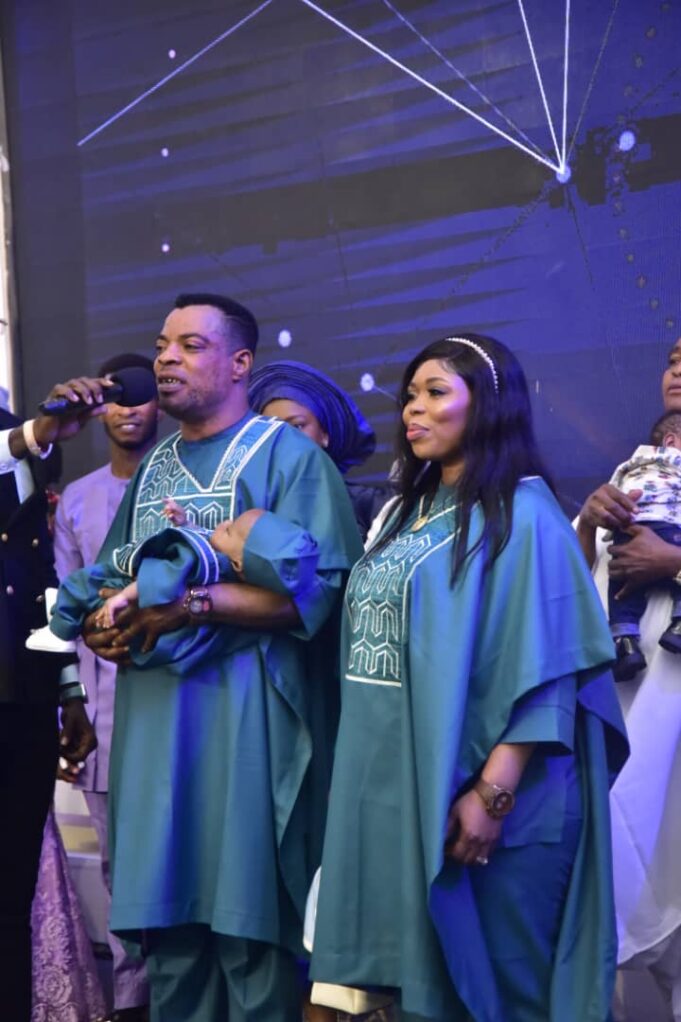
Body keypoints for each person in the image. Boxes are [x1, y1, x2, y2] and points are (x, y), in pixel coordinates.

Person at [310, 334, 628, 1022]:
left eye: (435, 393)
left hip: (499, 798)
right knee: (425, 994)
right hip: (405, 789)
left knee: (502, 993)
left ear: (486, 405)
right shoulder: (409, 511)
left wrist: (491, 795)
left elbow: (552, 673)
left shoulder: (527, 514)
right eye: (409, 395)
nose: (412, 409)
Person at [80, 293, 362, 1022]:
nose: (166, 360)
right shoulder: (154, 465)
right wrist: (101, 626)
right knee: (172, 946)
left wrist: (193, 605)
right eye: (161, 346)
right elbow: (113, 574)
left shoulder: (289, 457)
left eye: (190, 346)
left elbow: (322, 595)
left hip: (248, 734)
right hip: (155, 738)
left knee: (250, 946)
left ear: (240, 364)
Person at [44, 353, 160, 1022]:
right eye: (113, 398)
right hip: (103, 709)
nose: (126, 409)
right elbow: (58, 606)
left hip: (175, 699)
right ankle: (131, 1002)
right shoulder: (79, 499)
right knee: (120, 867)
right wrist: (71, 702)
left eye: (138, 395)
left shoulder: (183, 482)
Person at [577, 336, 681, 1021]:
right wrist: (590, 524)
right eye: (672, 359)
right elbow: (576, 579)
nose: (677, 371)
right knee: (619, 872)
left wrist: (672, 563)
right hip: (630, 701)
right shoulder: (631, 467)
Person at [0, 381, 105, 1021]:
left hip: (24, 702)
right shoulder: (22, 439)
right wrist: (31, 436)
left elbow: (42, 587)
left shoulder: (24, 447)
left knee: (12, 901)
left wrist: (69, 695)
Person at [248, 360, 392, 540]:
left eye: (297, 426)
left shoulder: (371, 506)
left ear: (324, 434)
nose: (284, 440)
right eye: (272, 430)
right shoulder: (249, 513)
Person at [605, 410, 681, 680]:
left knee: (620, 592)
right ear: (670, 441)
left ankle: (624, 642)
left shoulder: (629, 466)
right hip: (670, 527)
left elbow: (612, 496)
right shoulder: (675, 463)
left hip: (627, 530)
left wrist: (610, 529)